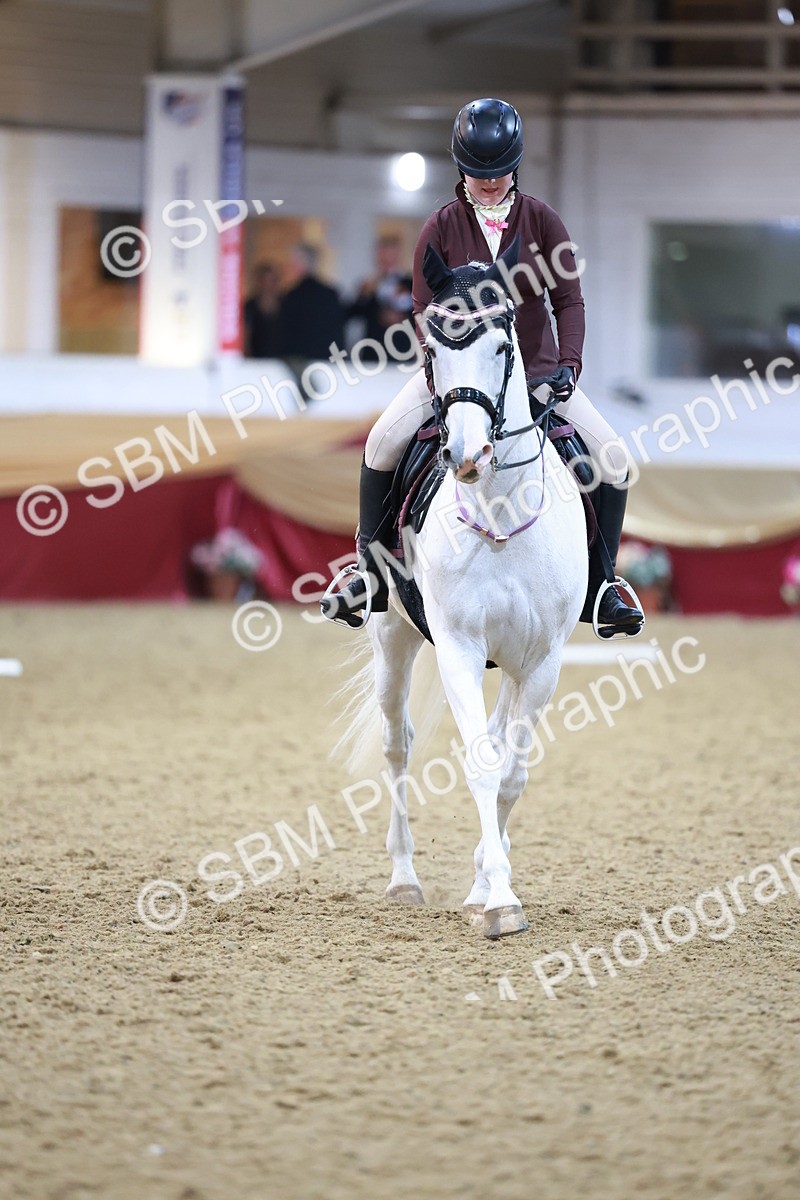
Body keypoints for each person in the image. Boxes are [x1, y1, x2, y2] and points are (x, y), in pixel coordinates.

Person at [322, 97, 643, 637]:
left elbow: (569, 301)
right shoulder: (441, 227)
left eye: (499, 173)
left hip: (537, 376)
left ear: (515, 165)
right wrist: (439, 377)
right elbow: (422, 310)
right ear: (460, 167)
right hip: (457, 378)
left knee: (615, 460)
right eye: (478, 173)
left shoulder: (542, 221)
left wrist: (568, 366)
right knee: (379, 444)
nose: (490, 184)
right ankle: (369, 574)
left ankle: (602, 586)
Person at [278, 243, 345, 387]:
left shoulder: (292, 297)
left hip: (299, 365)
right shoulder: (330, 294)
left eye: (293, 263)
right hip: (329, 366)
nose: (290, 267)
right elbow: (338, 331)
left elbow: (284, 335)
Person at [347, 235, 414, 361]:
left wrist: (401, 317)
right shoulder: (368, 284)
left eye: (391, 254)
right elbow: (353, 313)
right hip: (373, 349)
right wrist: (362, 296)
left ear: (398, 256)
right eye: (383, 254)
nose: (386, 259)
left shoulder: (411, 283)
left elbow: (421, 313)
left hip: (402, 348)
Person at [243, 261, 282, 358]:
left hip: (281, 360)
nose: (270, 285)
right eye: (267, 281)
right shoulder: (250, 306)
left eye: (273, 280)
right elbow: (246, 336)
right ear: (260, 282)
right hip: (257, 360)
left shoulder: (286, 305)